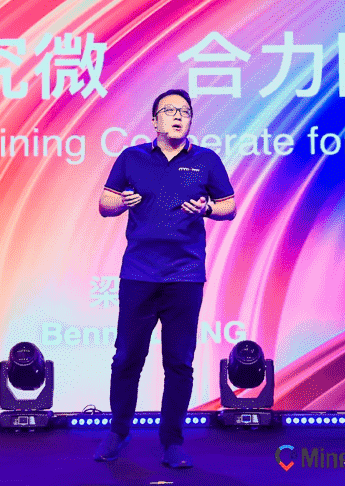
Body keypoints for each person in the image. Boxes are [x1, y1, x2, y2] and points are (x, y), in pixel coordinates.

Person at [93, 89, 236, 469]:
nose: (177, 116)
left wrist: (208, 208)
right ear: (154, 120)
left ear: (190, 120)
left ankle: (172, 441)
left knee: (179, 362)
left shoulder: (206, 160)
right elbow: (105, 204)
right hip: (139, 274)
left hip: (185, 276)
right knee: (127, 357)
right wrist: (121, 202)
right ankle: (118, 432)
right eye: (169, 111)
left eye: (184, 111)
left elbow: (229, 206)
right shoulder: (132, 158)